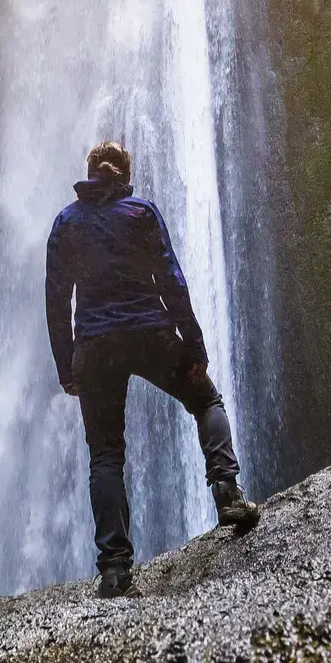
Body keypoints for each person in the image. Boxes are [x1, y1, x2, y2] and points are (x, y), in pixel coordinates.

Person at [45, 140, 261, 599]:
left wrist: (67, 365)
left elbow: (56, 299)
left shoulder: (67, 222)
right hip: (149, 333)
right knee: (206, 399)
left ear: (90, 174)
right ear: (125, 174)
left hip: (96, 345)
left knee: (105, 455)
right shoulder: (141, 212)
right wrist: (194, 345)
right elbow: (170, 278)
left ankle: (115, 569)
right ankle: (227, 492)